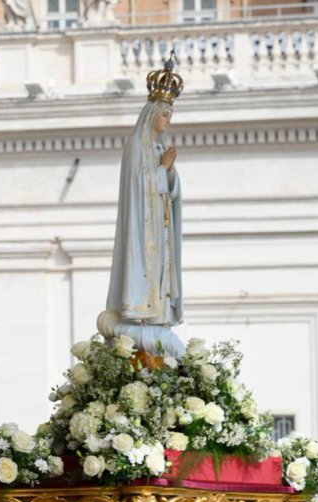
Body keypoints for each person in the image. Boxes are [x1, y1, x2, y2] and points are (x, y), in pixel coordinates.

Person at [97, 55, 184, 358]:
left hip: (159, 230)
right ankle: (136, 309)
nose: (168, 122)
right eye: (165, 116)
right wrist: (162, 170)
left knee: (161, 273)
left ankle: (157, 314)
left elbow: (168, 190)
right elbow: (139, 187)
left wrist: (169, 173)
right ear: (152, 115)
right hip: (142, 227)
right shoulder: (136, 145)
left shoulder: (159, 148)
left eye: (170, 117)